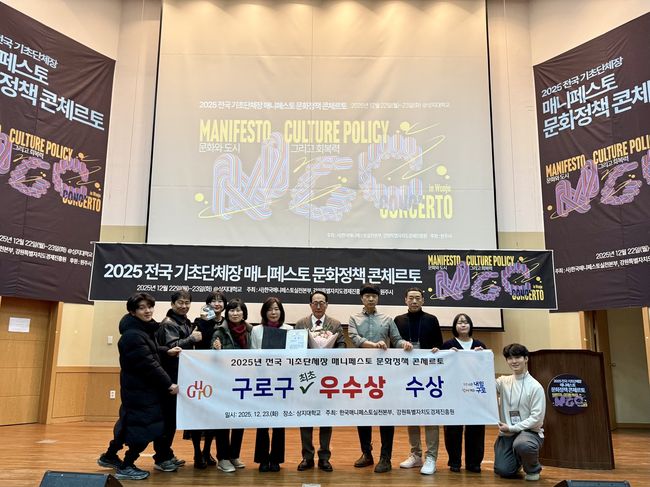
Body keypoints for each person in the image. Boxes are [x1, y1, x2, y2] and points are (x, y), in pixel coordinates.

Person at [111, 293, 180, 481]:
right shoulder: (133, 335)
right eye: (142, 308)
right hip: (140, 390)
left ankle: (110, 455)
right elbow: (148, 363)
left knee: (132, 423)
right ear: (133, 312)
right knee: (145, 428)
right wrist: (169, 384)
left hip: (140, 389)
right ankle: (126, 465)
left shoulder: (141, 330)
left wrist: (167, 351)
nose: (147, 311)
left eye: (149, 306)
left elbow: (150, 351)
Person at [348, 283, 413, 473]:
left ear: (378, 298)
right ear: (361, 298)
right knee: (362, 413)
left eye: (374, 296)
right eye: (367, 296)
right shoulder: (354, 318)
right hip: (361, 372)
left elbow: (396, 339)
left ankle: (386, 457)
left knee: (386, 414)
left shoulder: (387, 319)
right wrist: (374, 345)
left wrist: (404, 344)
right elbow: (355, 339)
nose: (370, 299)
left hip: (384, 374)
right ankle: (366, 454)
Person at [294, 290, 346, 472]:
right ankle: (307, 457)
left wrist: (329, 353)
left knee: (326, 417)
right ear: (310, 305)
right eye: (315, 303)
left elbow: (342, 346)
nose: (318, 306)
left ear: (327, 304)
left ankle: (324, 457)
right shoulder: (300, 324)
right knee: (305, 417)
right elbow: (294, 348)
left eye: (321, 303)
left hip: (327, 377)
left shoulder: (335, 324)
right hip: (306, 376)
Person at [394, 287, 443, 475]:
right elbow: (393, 346)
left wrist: (436, 350)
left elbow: (439, 345)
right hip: (407, 374)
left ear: (423, 300)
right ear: (405, 300)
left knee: (430, 415)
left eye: (417, 298)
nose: (414, 301)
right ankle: (416, 455)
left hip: (428, 374)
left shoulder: (431, 319)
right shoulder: (398, 320)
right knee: (412, 414)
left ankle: (431, 457)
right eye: (411, 298)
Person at [155, 290, 200, 468]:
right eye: (180, 302)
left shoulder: (184, 321)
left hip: (180, 376)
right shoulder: (168, 323)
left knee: (172, 419)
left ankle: (166, 453)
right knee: (167, 419)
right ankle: (161, 458)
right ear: (172, 304)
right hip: (170, 377)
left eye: (187, 302)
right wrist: (192, 338)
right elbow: (172, 348)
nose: (184, 306)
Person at [440, 313, 487, 473]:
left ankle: (474, 462)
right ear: (454, 326)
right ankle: (454, 462)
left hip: (475, 393)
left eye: (466, 322)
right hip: (453, 393)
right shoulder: (448, 345)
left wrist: (481, 356)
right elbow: (441, 368)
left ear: (470, 325)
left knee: (476, 428)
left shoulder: (480, 345)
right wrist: (447, 355)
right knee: (453, 429)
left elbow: (485, 369)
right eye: (459, 322)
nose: (463, 325)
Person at [250, 297, 293, 472]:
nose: (273, 312)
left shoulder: (289, 330)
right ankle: (262, 459)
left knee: (278, 422)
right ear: (264, 312)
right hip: (263, 379)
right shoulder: (256, 330)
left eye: (276, 309)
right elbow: (253, 354)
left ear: (281, 312)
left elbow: (293, 357)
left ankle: (276, 459)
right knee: (262, 422)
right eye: (270, 309)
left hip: (282, 380)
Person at [211, 297, 252, 473]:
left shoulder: (250, 331)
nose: (235, 313)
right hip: (224, 382)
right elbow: (212, 357)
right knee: (223, 420)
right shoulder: (219, 331)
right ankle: (223, 457)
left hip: (244, 381)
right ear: (227, 313)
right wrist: (216, 350)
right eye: (232, 310)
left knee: (239, 419)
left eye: (238, 310)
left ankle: (234, 455)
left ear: (244, 313)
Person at [494, 343, 545, 482]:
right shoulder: (502, 381)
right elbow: (483, 385)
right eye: (510, 358)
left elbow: (536, 418)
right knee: (503, 471)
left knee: (523, 444)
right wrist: (478, 358)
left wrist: (512, 427)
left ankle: (533, 469)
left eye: (517, 357)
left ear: (526, 359)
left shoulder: (535, 386)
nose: (514, 361)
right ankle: (517, 459)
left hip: (529, 433)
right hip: (507, 434)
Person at [187, 291, 227, 469]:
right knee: (198, 416)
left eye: (220, 301)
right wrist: (206, 322)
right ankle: (197, 452)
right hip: (200, 374)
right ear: (208, 304)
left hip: (220, 376)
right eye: (213, 301)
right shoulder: (199, 321)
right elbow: (195, 343)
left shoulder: (227, 322)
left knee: (213, 416)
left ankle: (207, 451)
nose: (217, 304)